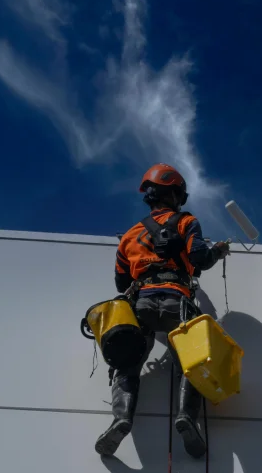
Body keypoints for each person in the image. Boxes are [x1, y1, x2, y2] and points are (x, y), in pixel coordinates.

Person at [95, 163, 230, 458]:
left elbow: (121, 282)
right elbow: (199, 258)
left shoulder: (130, 236)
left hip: (141, 304)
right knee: (190, 363)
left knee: (127, 363)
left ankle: (121, 419)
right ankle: (186, 417)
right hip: (177, 301)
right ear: (175, 195)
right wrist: (218, 251)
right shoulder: (186, 222)